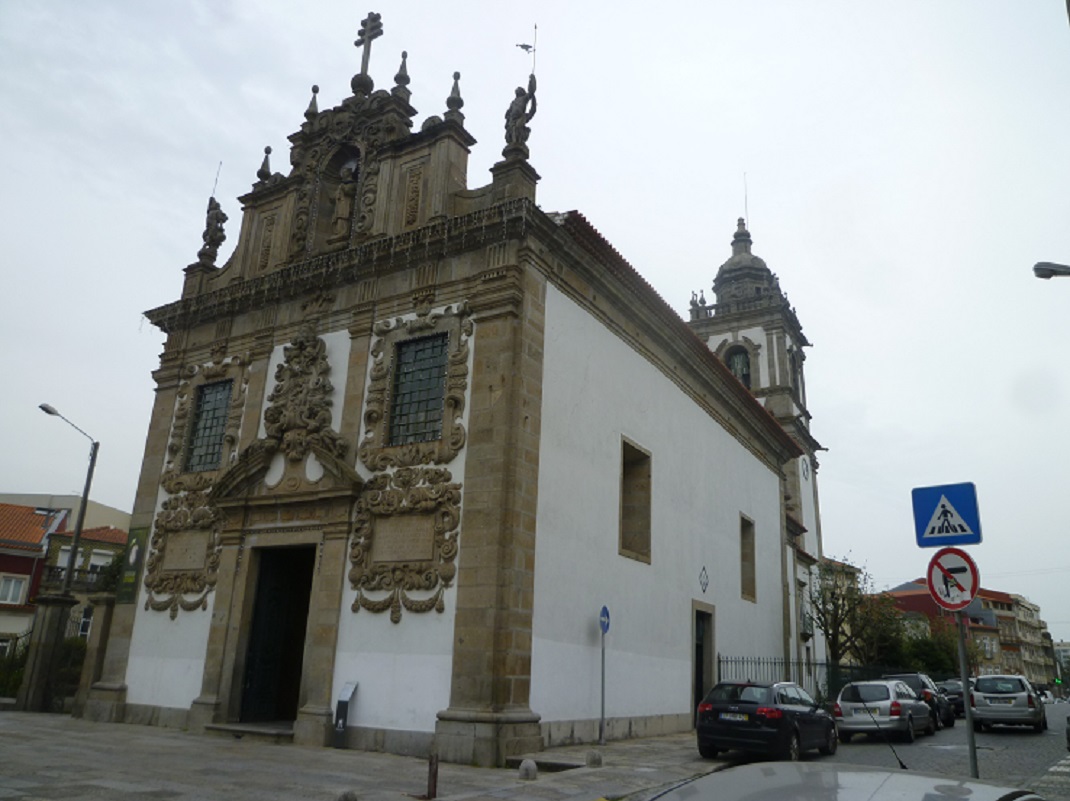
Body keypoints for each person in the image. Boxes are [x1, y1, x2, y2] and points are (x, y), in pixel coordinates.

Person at [505, 73, 537, 146]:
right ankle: (514, 143)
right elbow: (509, 112)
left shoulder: (524, 98)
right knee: (511, 132)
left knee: (517, 130)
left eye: (519, 89)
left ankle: (516, 143)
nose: (517, 90)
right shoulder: (513, 102)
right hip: (512, 119)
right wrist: (507, 117)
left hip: (520, 118)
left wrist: (532, 80)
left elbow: (531, 91)